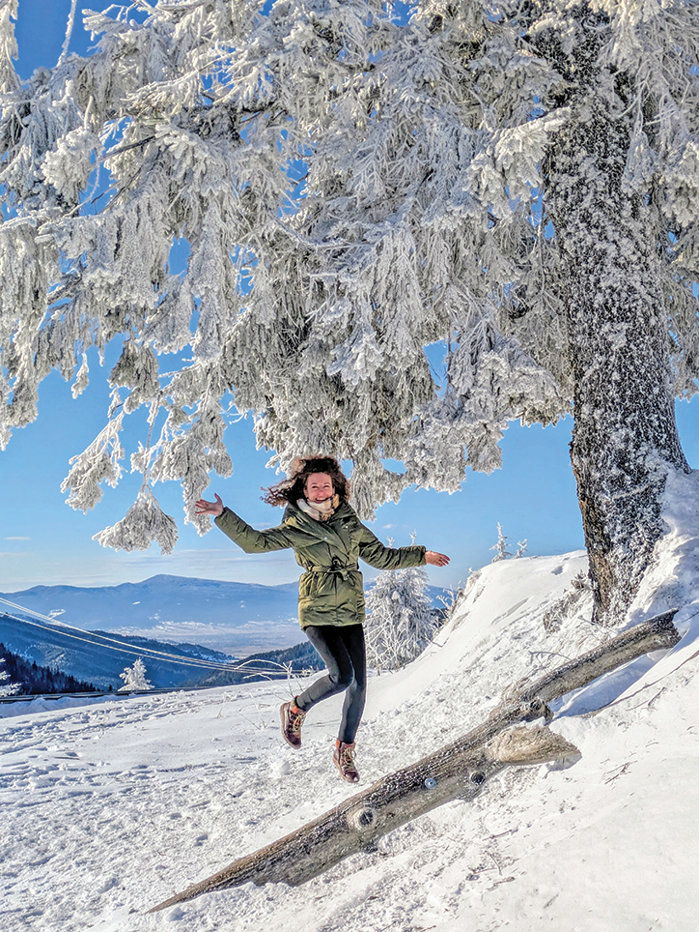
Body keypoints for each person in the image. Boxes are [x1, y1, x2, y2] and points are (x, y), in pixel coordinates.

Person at [195, 455, 449, 783]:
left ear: (334, 488)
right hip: (316, 610)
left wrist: (420, 555)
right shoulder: (296, 526)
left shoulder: (350, 522)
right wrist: (223, 515)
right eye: (313, 486)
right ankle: (296, 708)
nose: (320, 490)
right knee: (341, 676)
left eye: (325, 485)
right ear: (304, 490)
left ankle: (344, 750)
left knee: (359, 686)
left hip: (350, 611)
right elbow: (255, 543)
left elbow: (380, 556)